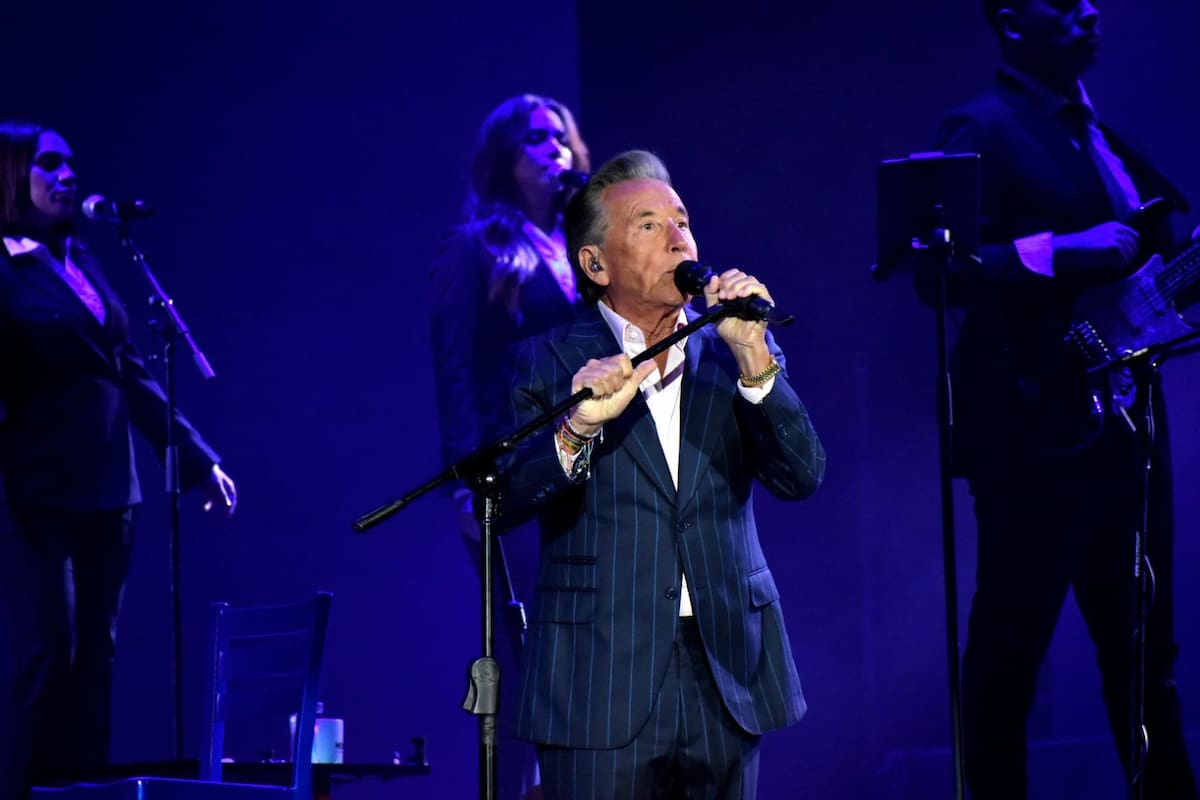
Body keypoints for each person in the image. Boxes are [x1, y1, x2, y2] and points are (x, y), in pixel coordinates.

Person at [918, 3, 1198, 796]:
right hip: (1032, 426)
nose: (1090, 9)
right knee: (1010, 653)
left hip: (1127, 423)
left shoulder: (1101, 135)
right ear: (1011, 19)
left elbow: (1155, 266)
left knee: (1146, 656)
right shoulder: (982, 125)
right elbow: (938, 270)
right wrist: (1059, 251)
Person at [494, 149, 825, 799]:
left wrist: (755, 361)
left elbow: (802, 476)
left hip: (725, 669)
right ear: (596, 264)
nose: (679, 238)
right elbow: (498, 501)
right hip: (597, 676)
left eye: (683, 221)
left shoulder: (734, 346)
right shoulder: (544, 363)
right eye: (648, 224)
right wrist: (578, 426)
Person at [0, 121, 237, 799]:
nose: (67, 175)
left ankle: (82, 793)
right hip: (33, 491)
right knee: (48, 652)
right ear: (11, 174)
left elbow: (129, 372)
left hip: (109, 490)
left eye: (71, 163)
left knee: (95, 658)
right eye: (48, 164)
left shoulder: (79, 259)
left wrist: (195, 457)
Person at [429, 94, 590, 799]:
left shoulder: (582, 246)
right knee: (531, 648)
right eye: (536, 140)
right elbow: (457, 369)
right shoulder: (476, 249)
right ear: (504, 159)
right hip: (513, 474)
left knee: (582, 641)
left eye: (562, 138)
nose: (555, 150)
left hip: (584, 466)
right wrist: (466, 482)